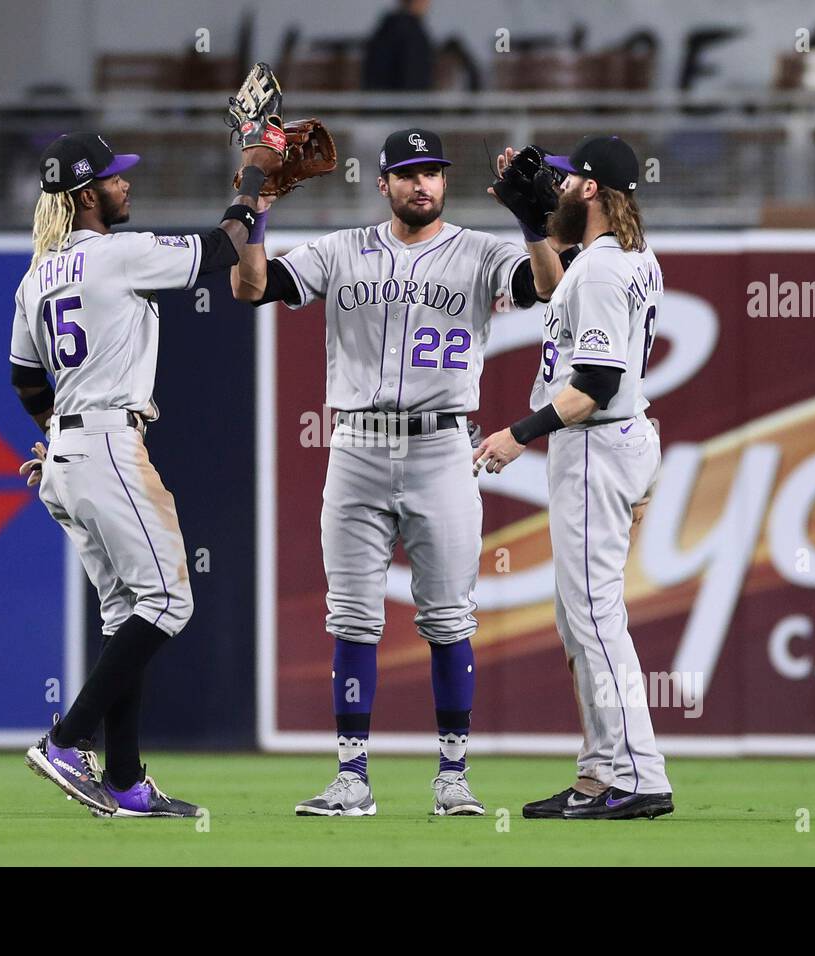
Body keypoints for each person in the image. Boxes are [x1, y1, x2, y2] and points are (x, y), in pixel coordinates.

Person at [232, 128, 567, 816]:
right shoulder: (342, 249)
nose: (423, 184)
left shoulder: (479, 251)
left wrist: (534, 224)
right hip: (354, 446)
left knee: (448, 620)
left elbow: (547, 288)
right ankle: (351, 778)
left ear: (445, 181)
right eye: (409, 173)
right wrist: (254, 206)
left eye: (433, 172)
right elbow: (250, 285)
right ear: (382, 183)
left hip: (441, 448)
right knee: (352, 619)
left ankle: (452, 777)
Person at [13, 131, 276, 817]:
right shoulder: (117, 254)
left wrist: (55, 439)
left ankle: (126, 782)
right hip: (105, 445)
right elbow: (219, 253)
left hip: (69, 459)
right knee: (169, 603)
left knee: (127, 611)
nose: (126, 184)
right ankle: (67, 741)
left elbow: (23, 378)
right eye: (113, 178)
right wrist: (250, 183)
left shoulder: (36, 274)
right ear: (83, 195)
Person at [473, 136, 675, 820]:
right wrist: (532, 218)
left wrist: (516, 435)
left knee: (594, 619)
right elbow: (561, 282)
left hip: (594, 442)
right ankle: (598, 774)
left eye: (564, 180)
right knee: (578, 618)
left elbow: (593, 382)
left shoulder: (600, 272)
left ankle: (640, 776)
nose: (553, 186)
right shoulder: (627, 256)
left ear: (591, 190)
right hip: (621, 439)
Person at [362, 0, 434, 91]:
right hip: (402, 101)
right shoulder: (411, 32)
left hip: (381, 100)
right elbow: (413, 78)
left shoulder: (386, 28)